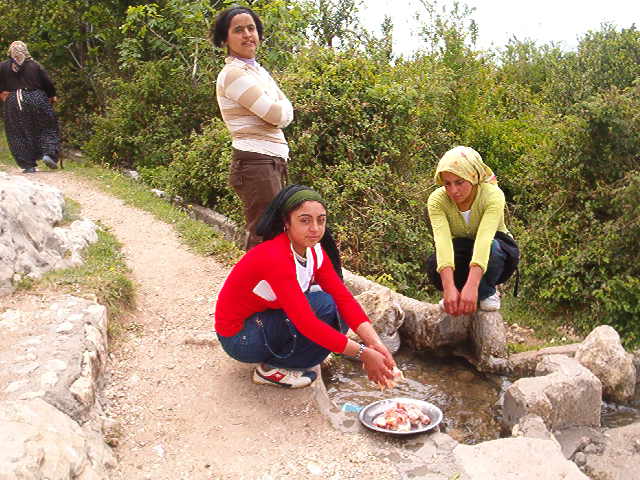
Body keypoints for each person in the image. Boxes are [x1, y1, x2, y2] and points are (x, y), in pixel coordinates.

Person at [215, 185, 397, 388]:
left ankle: (292, 353)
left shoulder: (314, 251)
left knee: (333, 305)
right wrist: (363, 353)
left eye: (321, 220)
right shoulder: (275, 257)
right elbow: (306, 323)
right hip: (241, 338)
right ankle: (271, 369)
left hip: (261, 318)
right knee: (321, 316)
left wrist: (375, 343)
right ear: (286, 222)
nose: (316, 229)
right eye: (305, 220)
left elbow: (343, 298)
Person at [211, 6, 294, 250]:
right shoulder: (233, 74)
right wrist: (283, 110)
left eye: (251, 28)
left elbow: (283, 109)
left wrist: (283, 111)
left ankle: (264, 287)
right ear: (225, 38)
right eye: (238, 30)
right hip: (256, 162)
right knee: (265, 233)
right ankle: (250, 288)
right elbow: (276, 113)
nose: (248, 34)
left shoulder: (257, 71)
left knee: (275, 230)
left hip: (270, 161)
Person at [426, 146, 519, 316]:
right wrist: (448, 288)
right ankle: (457, 294)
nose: (453, 190)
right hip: (463, 250)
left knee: (493, 249)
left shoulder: (493, 195)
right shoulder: (437, 200)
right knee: (434, 263)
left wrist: (472, 286)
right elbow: (442, 242)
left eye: (459, 182)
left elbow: (484, 239)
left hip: (496, 250)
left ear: (473, 176)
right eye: (447, 183)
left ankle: (486, 291)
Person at [0, 41, 60, 173]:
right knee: (47, 127)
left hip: (14, 100)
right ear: (25, 51)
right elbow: (48, 84)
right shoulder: (34, 65)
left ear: (10, 52)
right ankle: (49, 154)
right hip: (37, 97)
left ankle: (28, 165)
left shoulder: (3, 66)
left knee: (17, 133)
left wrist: (3, 95)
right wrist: (51, 97)